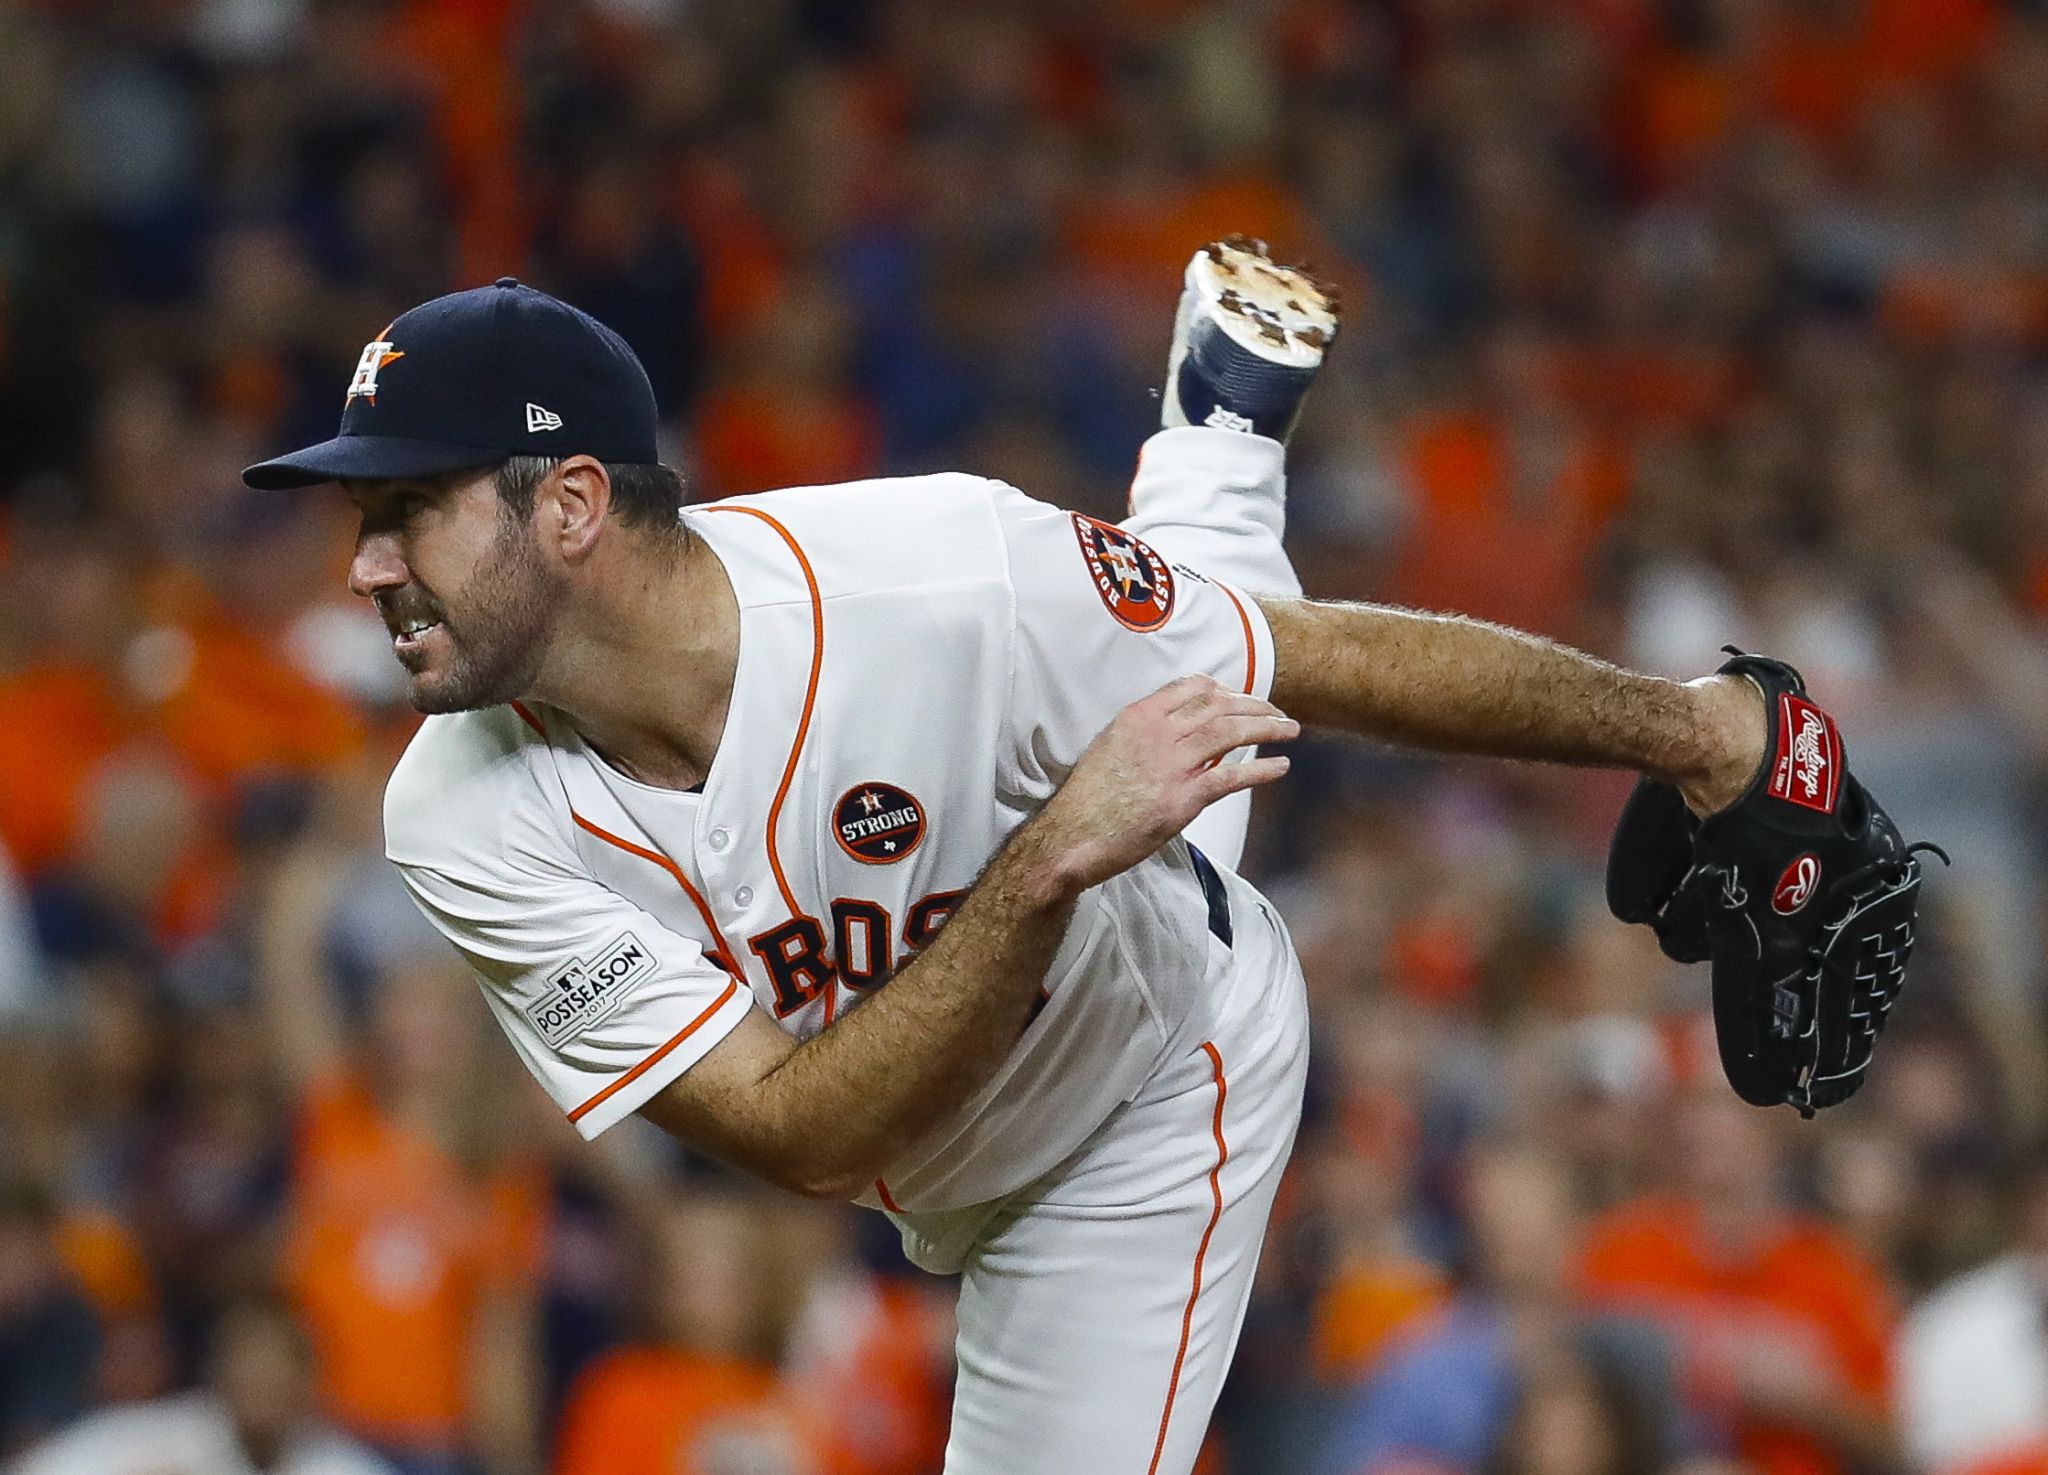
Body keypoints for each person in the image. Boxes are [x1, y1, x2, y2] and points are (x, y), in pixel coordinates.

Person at [239, 241, 1769, 1474]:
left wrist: (1698, 736)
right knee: (1140, 715)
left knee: (1189, 680)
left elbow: (1318, 661)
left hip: (1140, 1097)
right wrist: (1046, 859)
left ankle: (1219, 487)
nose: (365, 563)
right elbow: (797, 1132)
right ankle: (1219, 448)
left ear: (571, 503)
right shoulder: (452, 809)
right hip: (957, 1058)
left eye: (407, 510)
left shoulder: (940, 572)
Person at [9, 1294, 395, 1475]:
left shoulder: (340, 1466)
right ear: (218, 1376)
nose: (259, 1386)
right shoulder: (154, 1440)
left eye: (275, 1373)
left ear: (309, 1385)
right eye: (247, 1369)